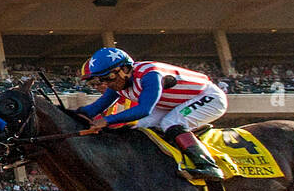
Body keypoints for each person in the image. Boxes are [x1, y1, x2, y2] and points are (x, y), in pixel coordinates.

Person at [75, 47, 226, 180]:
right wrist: (69, 115)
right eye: (101, 80)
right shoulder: (119, 82)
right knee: (141, 127)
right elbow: (94, 108)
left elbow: (144, 109)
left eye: (109, 78)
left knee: (171, 122)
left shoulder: (150, 74)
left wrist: (107, 120)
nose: (106, 84)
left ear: (125, 69)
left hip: (208, 96)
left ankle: (208, 166)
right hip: (173, 103)